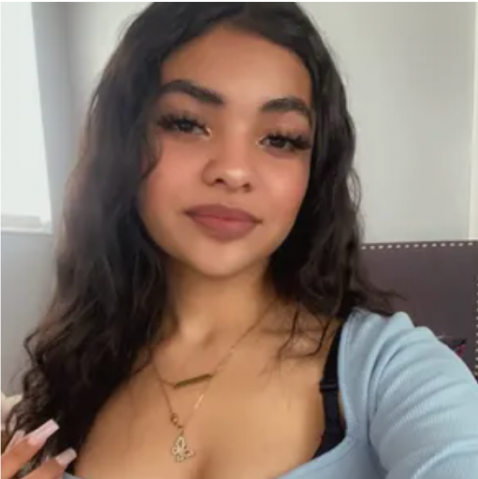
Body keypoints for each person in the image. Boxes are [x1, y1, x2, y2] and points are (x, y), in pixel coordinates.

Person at [2, 1, 478, 478]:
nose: (233, 170)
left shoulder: (392, 371)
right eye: (187, 123)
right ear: (124, 142)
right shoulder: (74, 370)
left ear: (313, 171)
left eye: (281, 138)